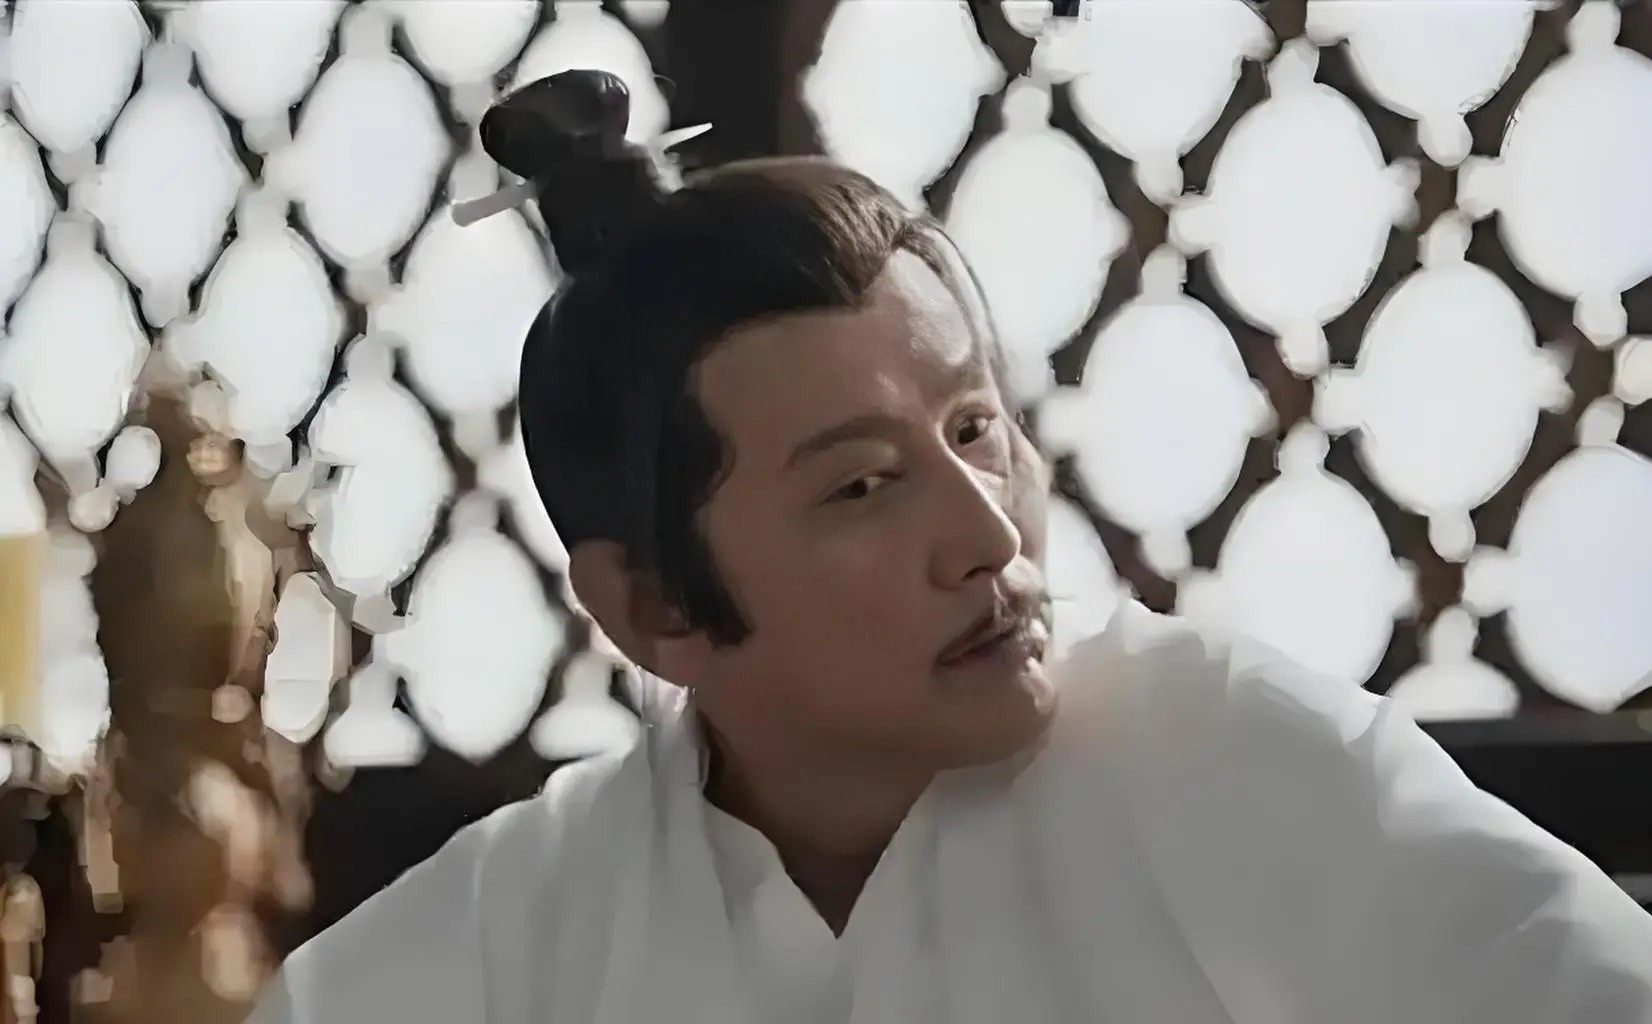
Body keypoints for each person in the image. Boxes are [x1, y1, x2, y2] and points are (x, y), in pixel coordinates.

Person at [249, 71, 1652, 1024]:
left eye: (977, 429)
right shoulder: (502, 946)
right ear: (652, 603)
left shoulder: (1241, 764)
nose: (987, 534)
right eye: (862, 487)